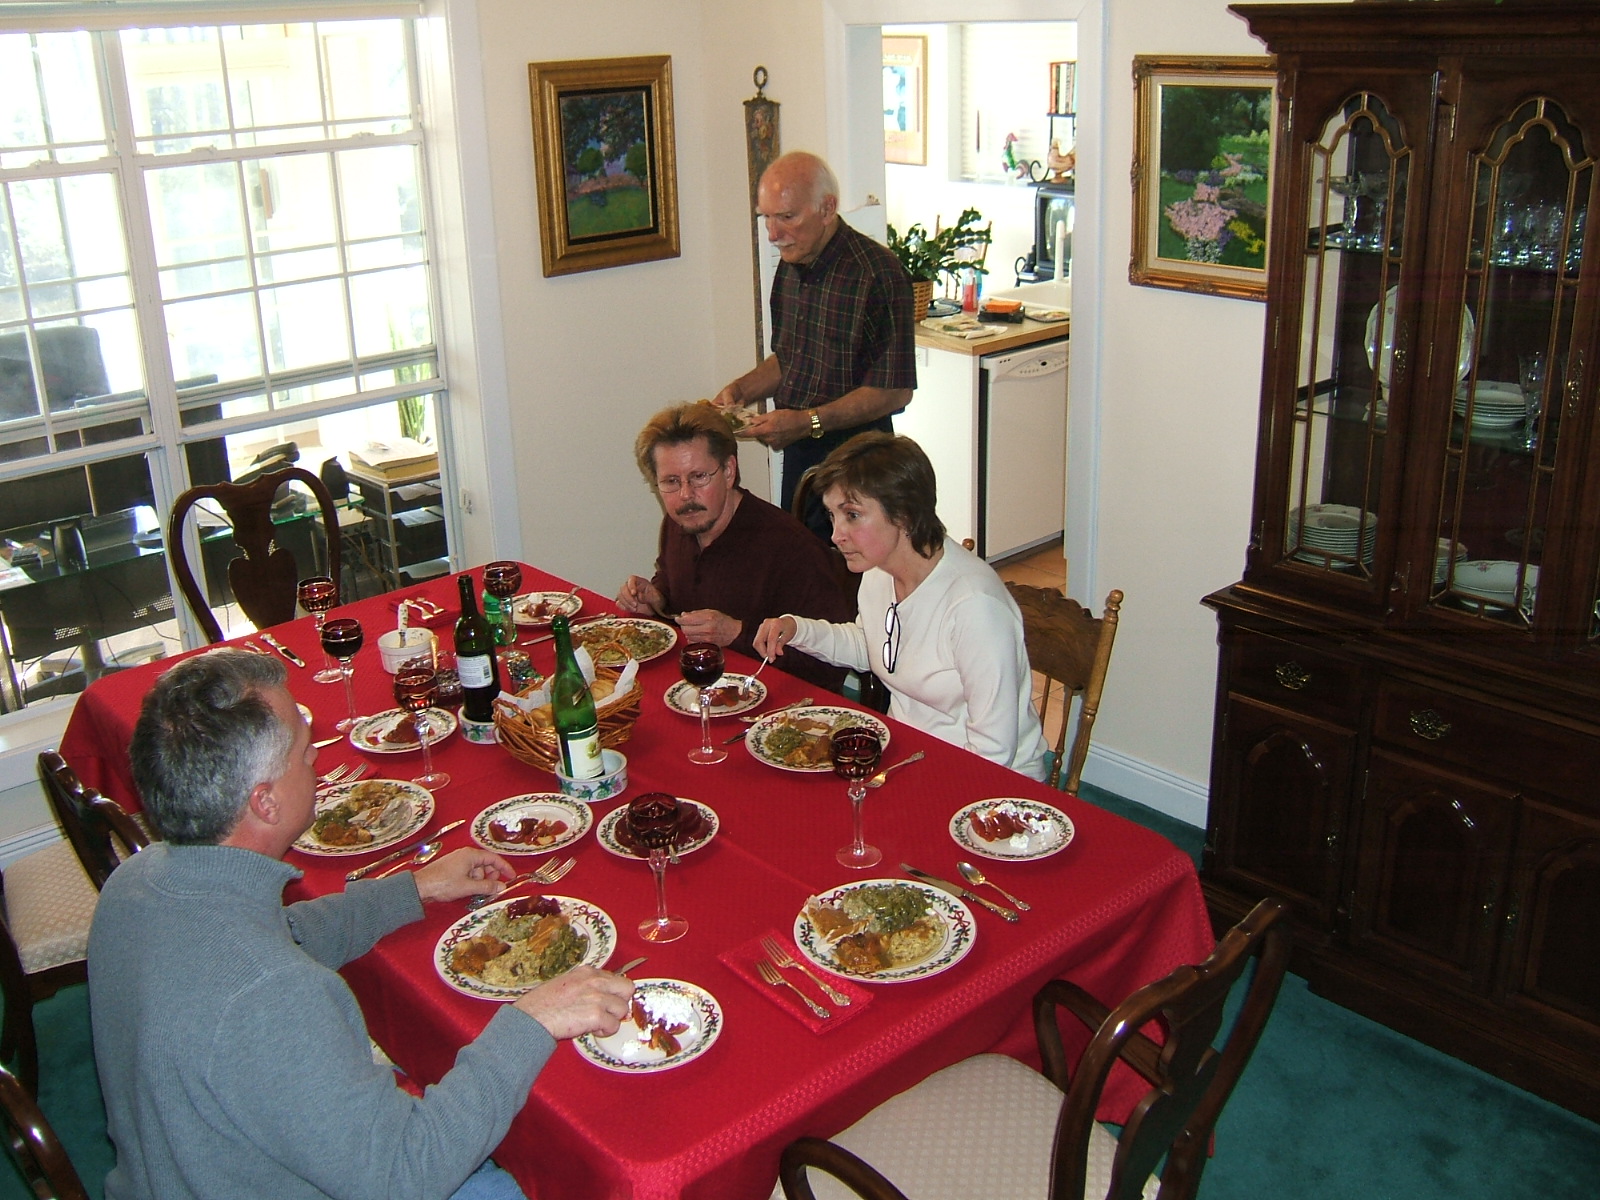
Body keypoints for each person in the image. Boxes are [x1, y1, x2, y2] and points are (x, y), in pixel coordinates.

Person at [88, 649, 633, 1200]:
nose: (316, 760)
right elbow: (406, 1174)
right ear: (265, 803)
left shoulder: (138, 882)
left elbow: (281, 934)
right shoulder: (272, 995)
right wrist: (533, 1019)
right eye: (303, 752)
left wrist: (413, 889)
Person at [753, 433, 1048, 780]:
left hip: (986, 779)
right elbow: (870, 646)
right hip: (910, 754)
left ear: (904, 514)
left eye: (852, 515)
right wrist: (797, 629)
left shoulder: (974, 607)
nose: (836, 534)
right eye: (833, 516)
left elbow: (993, 752)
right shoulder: (880, 571)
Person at [714, 151, 917, 535]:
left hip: (861, 461)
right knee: (803, 559)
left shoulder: (878, 273)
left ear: (827, 208)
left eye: (786, 217)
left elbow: (895, 391)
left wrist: (809, 421)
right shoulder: (791, 265)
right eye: (766, 217)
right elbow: (790, 358)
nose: (773, 234)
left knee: (853, 568)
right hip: (800, 451)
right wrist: (741, 390)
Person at [616, 401, 854, 693]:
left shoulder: (791, 550)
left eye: (699, 477)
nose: (685, 495)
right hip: (702, 688)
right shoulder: (680, 523)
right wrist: (656, 602)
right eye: (671, 482)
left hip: (778, 702)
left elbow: (829, 670)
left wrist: (737, 633)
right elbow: (676, 586)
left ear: (729, 471)